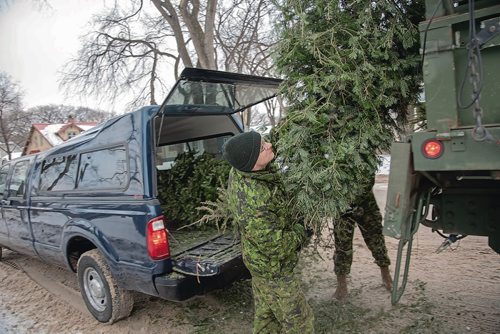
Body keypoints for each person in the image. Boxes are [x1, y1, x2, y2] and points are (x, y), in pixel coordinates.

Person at [223, 131, 314, 334]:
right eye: (263, 147)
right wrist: (302, 230)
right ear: (252, 161)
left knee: (267, 320)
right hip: (273, 270)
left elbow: (269, 145)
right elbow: (276, 246)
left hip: (260, 265)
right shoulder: (253, 200)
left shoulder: (245, 168)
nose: (270, 145)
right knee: (301, 323)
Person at [333, 176, 393, 300]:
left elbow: (369, 175)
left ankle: (386, 275)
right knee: (342, 245)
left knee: (376, 239)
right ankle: (341, 286)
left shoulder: (364, 157)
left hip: (366, 202)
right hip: (341, 202)